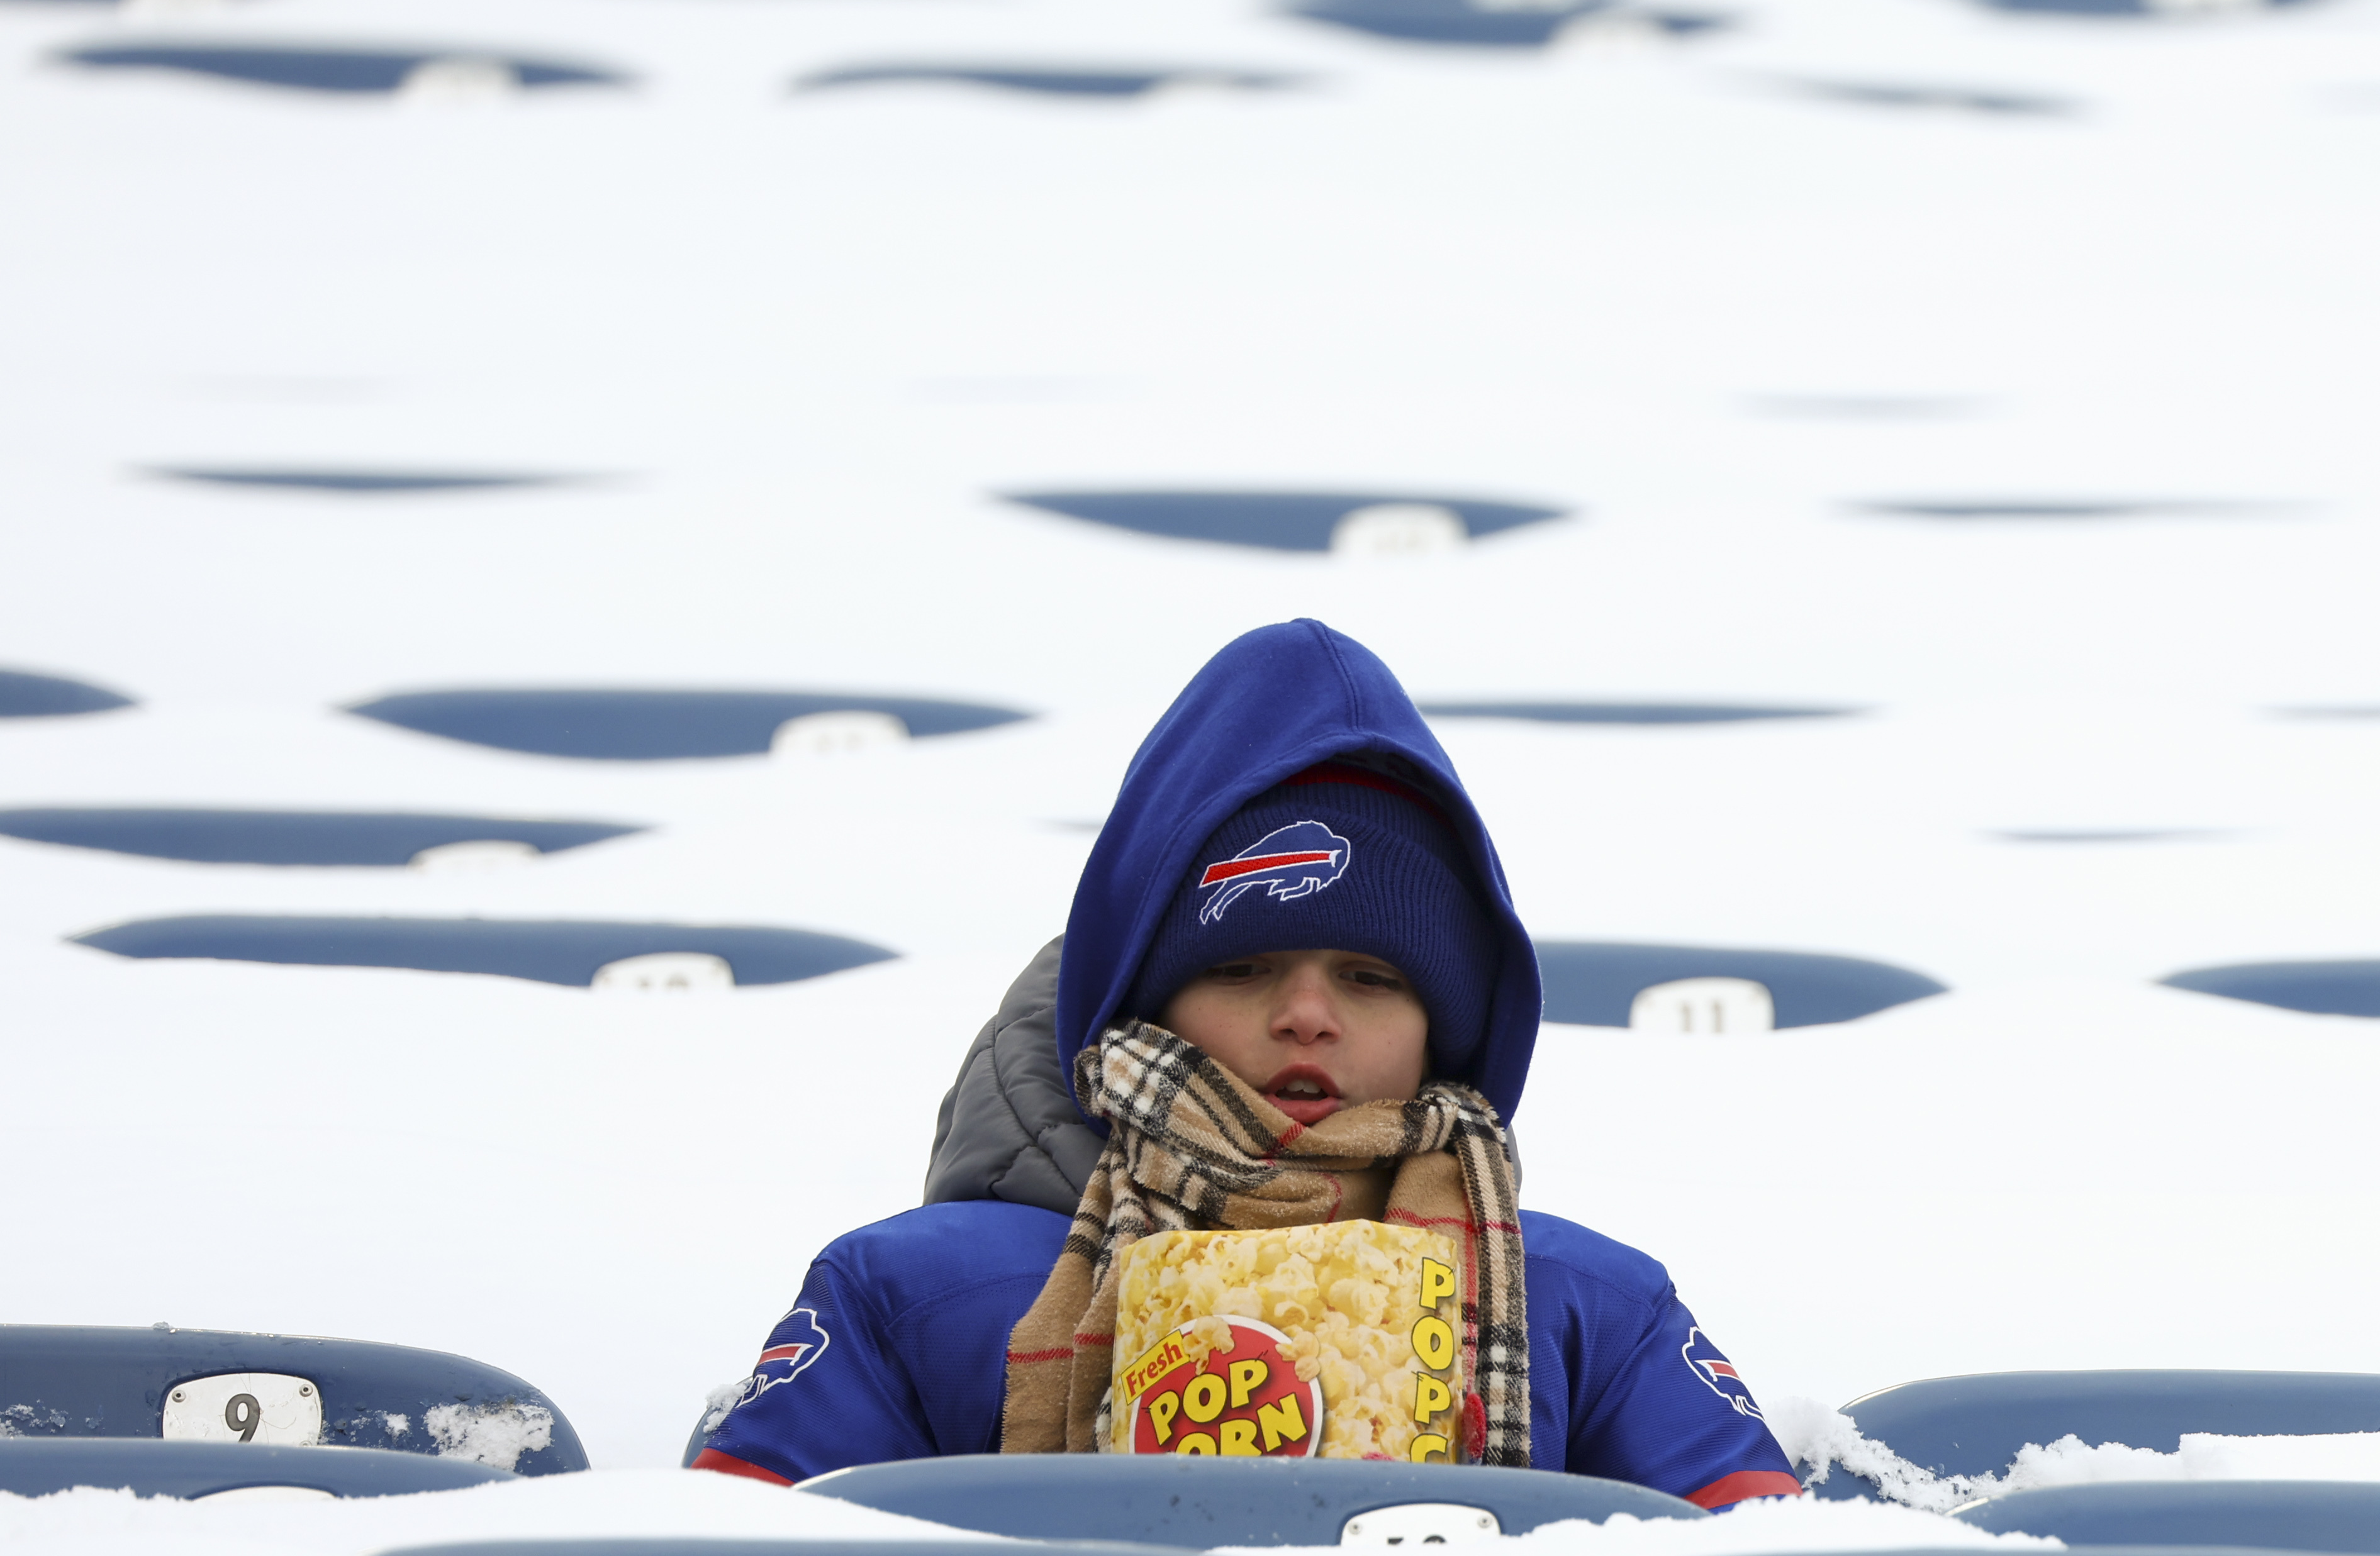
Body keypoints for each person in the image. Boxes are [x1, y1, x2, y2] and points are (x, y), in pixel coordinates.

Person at [690, 618, 1804, 1509]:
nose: (1308, 1015)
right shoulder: (920, 1292)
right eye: (1245, 968)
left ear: (1444, 1031)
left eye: (1372, 978)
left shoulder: (1585, 1307)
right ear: (1145, 998)